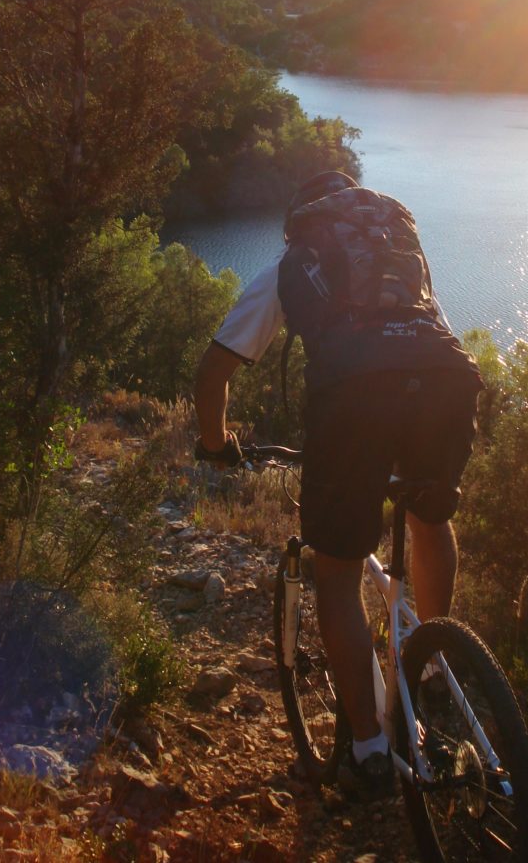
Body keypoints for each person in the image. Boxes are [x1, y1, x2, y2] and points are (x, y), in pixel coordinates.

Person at [193, 171, 482, 799]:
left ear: (307, 219)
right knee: (430, 516)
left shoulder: (297, 261)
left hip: (355, 397)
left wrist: (216, 448)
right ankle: (433, 658)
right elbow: (432, 340)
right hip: (445, 380)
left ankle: (367, 748)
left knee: (337, 572)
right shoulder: (401, 262)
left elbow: (214, 371)